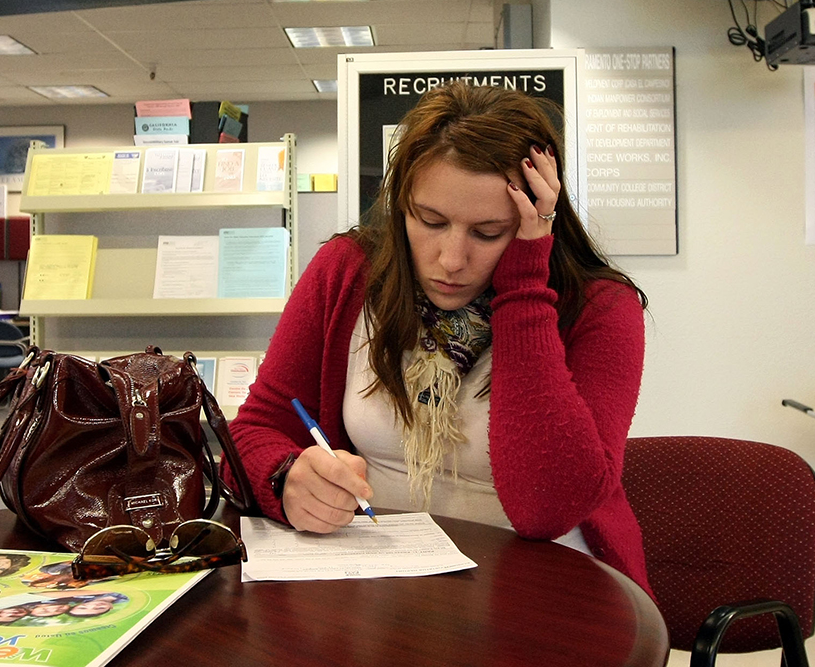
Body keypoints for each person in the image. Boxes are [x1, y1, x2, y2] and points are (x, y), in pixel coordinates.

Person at [225, 82, 651, 592]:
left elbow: (547, 509)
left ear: (536, 213)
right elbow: (254, 430)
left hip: (541, 588)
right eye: (430, 221)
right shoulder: (348, 271)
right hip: (374, 579)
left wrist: (523, 284)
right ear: (400, 205)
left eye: (488, 232)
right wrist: (285, 477)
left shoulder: (602, 308)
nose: (451, 260)